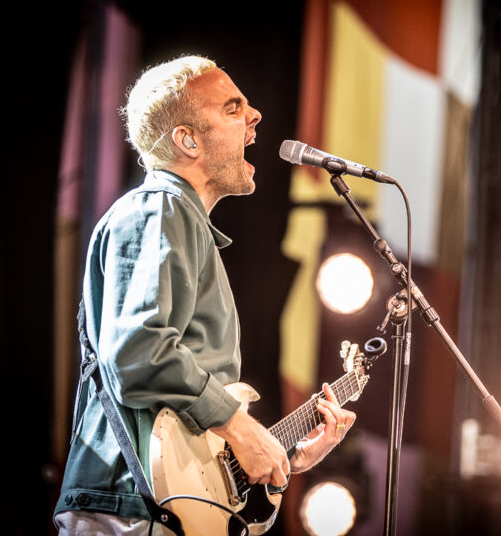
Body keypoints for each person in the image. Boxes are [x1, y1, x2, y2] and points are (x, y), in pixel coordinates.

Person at [54, 55, 356, 535]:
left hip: (158, 507)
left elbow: (183, 431)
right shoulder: (159, 208)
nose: (255, 115)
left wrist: (279, 456)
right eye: (234, 108)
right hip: (131, 508)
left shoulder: (181, 221)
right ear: (187, 139)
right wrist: (239, 425)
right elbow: (138, 350)